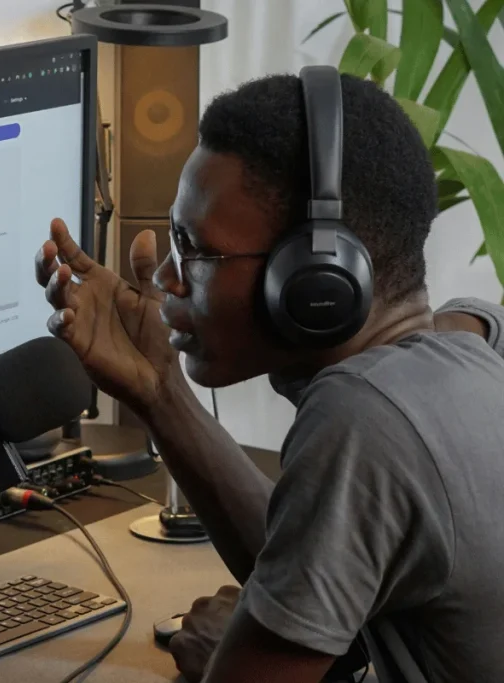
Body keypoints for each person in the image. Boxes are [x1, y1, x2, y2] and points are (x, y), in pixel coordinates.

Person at [34, 70, 504, 683]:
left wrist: (219, 665)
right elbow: (319, 563)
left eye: (196, 248)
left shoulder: (363, 419)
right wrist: (158, 390)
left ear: (315, 278)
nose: (169, 277)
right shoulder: (479, 339)